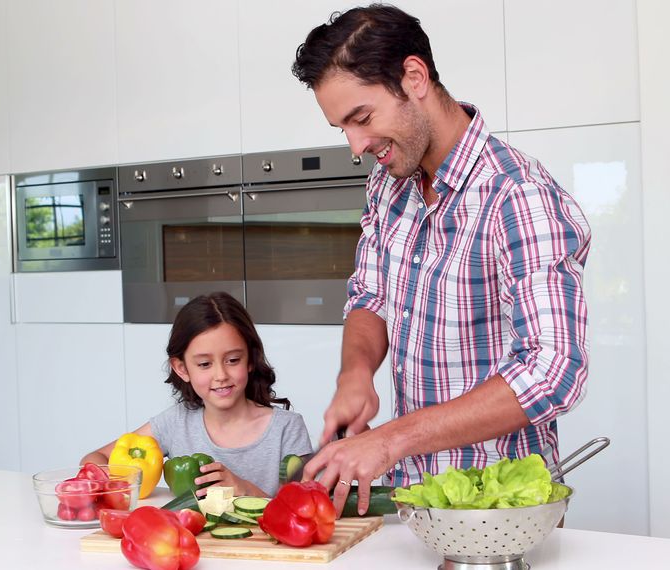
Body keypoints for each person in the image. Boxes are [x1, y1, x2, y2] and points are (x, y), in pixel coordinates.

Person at [291, 4, 591, 515]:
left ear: (414, 76)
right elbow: (371, 296)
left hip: (501, 509)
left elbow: (553, 369)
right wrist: (356, 373)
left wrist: (389, 440)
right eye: (342, 128)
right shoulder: (389, 186)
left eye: (361, 118)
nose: (356, 145)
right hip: (418, 497)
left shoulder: (516, 195)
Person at [81, 292, 313, 497]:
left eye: (233, 360)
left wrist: (244, 489)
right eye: (204, 364)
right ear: (182, 368)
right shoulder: (175, 423)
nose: (221, 374)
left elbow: (302, 508)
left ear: (251, 359)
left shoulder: (286, 428)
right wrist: (120, 487)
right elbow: (94, 459)